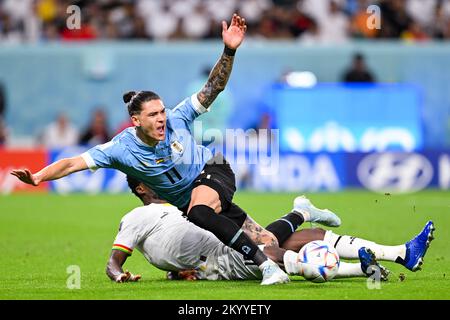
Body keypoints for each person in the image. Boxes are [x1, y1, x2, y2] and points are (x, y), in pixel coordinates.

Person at [10, 14, 341, 286]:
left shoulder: (179, 117)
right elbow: (72, 163)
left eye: (162, 111)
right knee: (267, 241)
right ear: (135, 119)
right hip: (198, 199)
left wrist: (229, 52)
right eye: (153, 114)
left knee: (199, 214)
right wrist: (38, 176)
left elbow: (213, 88)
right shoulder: (120, 149)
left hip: (214, 171)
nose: (161, 118)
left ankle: (268, 270)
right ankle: (303, 212)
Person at [106, 176, 435, 283]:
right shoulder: (137, 216)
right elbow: (114, 261)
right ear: (140, 188)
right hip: (222, 259)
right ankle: (360, 270)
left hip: (234, 239)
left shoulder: (184, 201)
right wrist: (119, 273)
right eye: (150, 176)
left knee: (312, 238)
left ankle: (401, 253)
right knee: (273, 251)